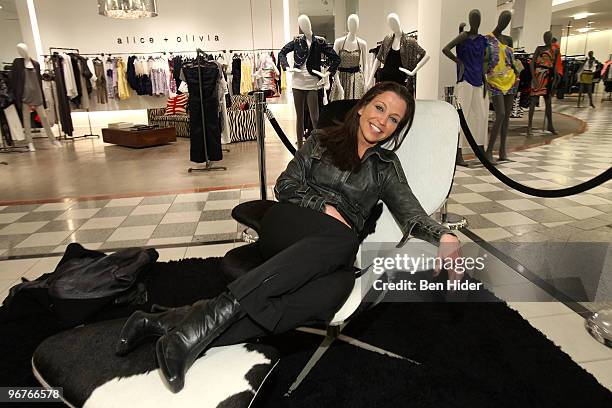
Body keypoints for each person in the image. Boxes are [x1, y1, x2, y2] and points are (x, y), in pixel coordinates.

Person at [115, 81, 461, 393]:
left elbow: (412, 215)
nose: (382, 121)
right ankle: (192, 328)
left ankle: (172, 324)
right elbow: (285, 185)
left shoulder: (386, 168)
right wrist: (322, 206)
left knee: (336, 289)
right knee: (345, 240)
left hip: (330, 254)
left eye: (394, 120)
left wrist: (445, 236)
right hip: (289, 224)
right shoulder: (322, 140)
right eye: (380, 108)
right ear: (363, 106)